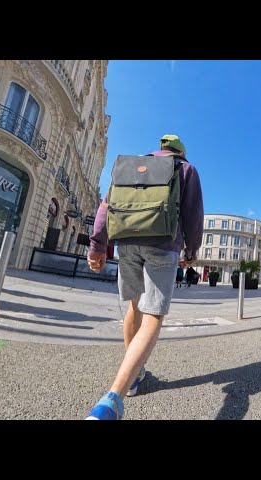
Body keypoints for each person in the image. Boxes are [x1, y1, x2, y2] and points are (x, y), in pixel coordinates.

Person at [86, 134, 203, 420]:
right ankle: (113, 398)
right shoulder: (185, 169)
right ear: (180, 152)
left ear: (160, 149)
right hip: (163, 244)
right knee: (153, 316)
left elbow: (106, 206)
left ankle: (135, 377)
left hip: (126, 241)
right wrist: (191, 249)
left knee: (134, 308)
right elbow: (193, 215)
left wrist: (98, 245)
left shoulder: (132, 166)